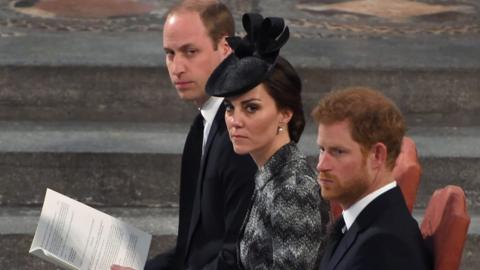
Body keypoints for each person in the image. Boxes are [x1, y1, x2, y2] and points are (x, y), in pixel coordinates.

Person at [112, 1, 256, 270]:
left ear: (226, 49)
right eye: (170, 53)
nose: (176, 68)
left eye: (190, 52)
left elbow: (236, 260)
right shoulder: (203, 124)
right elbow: (194, 249)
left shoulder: (240, 135)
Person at [205, 13, 330, 269]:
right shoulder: (271, 174)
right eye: (230, 108)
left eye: (251, 108)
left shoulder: (293, 189)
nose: (235, 120)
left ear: (285, 113)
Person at [312, 87, 432, 270]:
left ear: (377, 155)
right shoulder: (355, 223)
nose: (322, 165)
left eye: (337, 152)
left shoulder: (385, 245)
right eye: (322, 149)